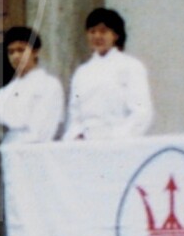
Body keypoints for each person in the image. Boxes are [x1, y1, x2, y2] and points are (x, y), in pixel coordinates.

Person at [63, 7, 153, 141]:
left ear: (116, 35)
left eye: (103, 31)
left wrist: (115, 138)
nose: (97, 36)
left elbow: (142, 112)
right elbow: (74, 114)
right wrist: (76, 135)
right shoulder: (81, 72)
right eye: (92, 31)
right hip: (85, 143)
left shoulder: (131, 66)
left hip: (119, 140)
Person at [0, 26, 65, 144]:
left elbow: (44, 130)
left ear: (35, 52)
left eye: (21, 50)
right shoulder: (2, 93)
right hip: (4, 151)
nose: (15, 56)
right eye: (11, 52)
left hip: (35, 150)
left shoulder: (49, 85)